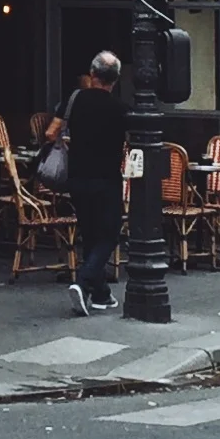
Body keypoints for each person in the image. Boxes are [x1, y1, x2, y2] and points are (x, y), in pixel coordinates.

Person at [63, 50, 128, 313]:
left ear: (92, 75)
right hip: (106, 178)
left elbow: (53, 131)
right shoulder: (120, 109)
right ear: (115, 80)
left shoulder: (75, 99)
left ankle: (101, 295)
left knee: (90, 234)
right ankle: (83, 281)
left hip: (77, 177)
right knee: (110, 233)